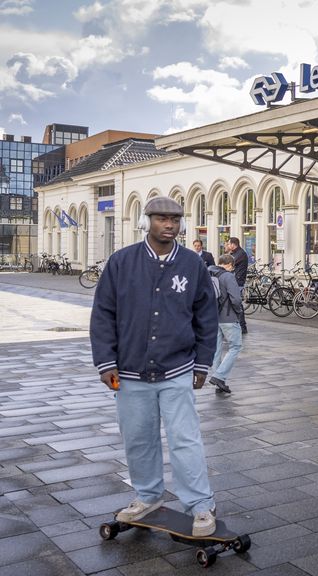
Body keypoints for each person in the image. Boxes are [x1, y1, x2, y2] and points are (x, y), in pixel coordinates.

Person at [89, 196, 219, 537]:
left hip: (177, 369)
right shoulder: (121, 262)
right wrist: (105, 362)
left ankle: (200, 504)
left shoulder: (192, 265)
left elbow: (206, 317)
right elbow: (103, 314)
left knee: (185, 440)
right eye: (162, 218)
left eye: (175, 219)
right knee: (138, 439)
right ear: (147, 222)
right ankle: (147, 496)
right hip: (130, 372)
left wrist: (203, 363)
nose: (169, 225)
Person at [207, 254, 243, 394]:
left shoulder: (209, 273)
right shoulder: (228, 276)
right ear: (229, 264)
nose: (232, 269)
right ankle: (219, 376)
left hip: (213, 317)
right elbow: (236, 299)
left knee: (216, 349)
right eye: (232, 267)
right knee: (236, 346)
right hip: (228, 317)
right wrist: (238, 312)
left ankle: (219, 382)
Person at [226, 237, 249, 334]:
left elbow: (229, 265)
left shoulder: (240, 254)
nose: (227, 245)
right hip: (234, 281)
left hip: (237, 281)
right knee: (234, 303)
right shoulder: (235, 253)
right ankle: (237, 325)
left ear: (233, 244)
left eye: (228, 244)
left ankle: (242, 326)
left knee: (237, 304)